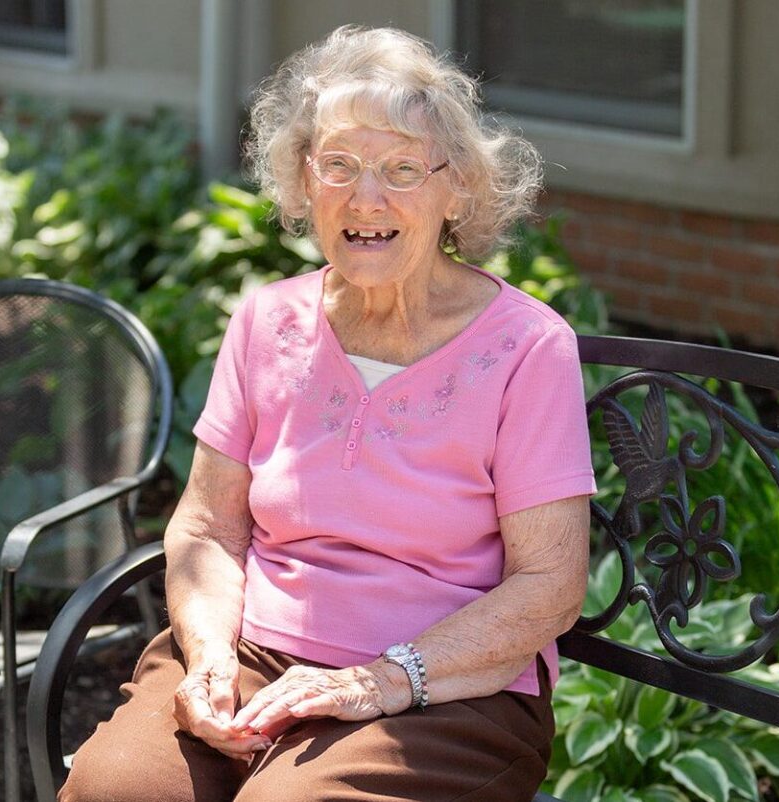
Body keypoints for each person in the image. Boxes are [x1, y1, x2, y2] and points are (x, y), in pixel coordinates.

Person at [61, 25, 595, 802]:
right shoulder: (266, 322)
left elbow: (550, 583)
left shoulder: (527, 348)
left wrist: (384, 680)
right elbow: (209, 527)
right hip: (251, 654)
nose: (365, 198)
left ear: (458, 191)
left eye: (402, 169)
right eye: (337, 165)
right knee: (117, 790)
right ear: (303, 182)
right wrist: (209, 657)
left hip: (441, 689)